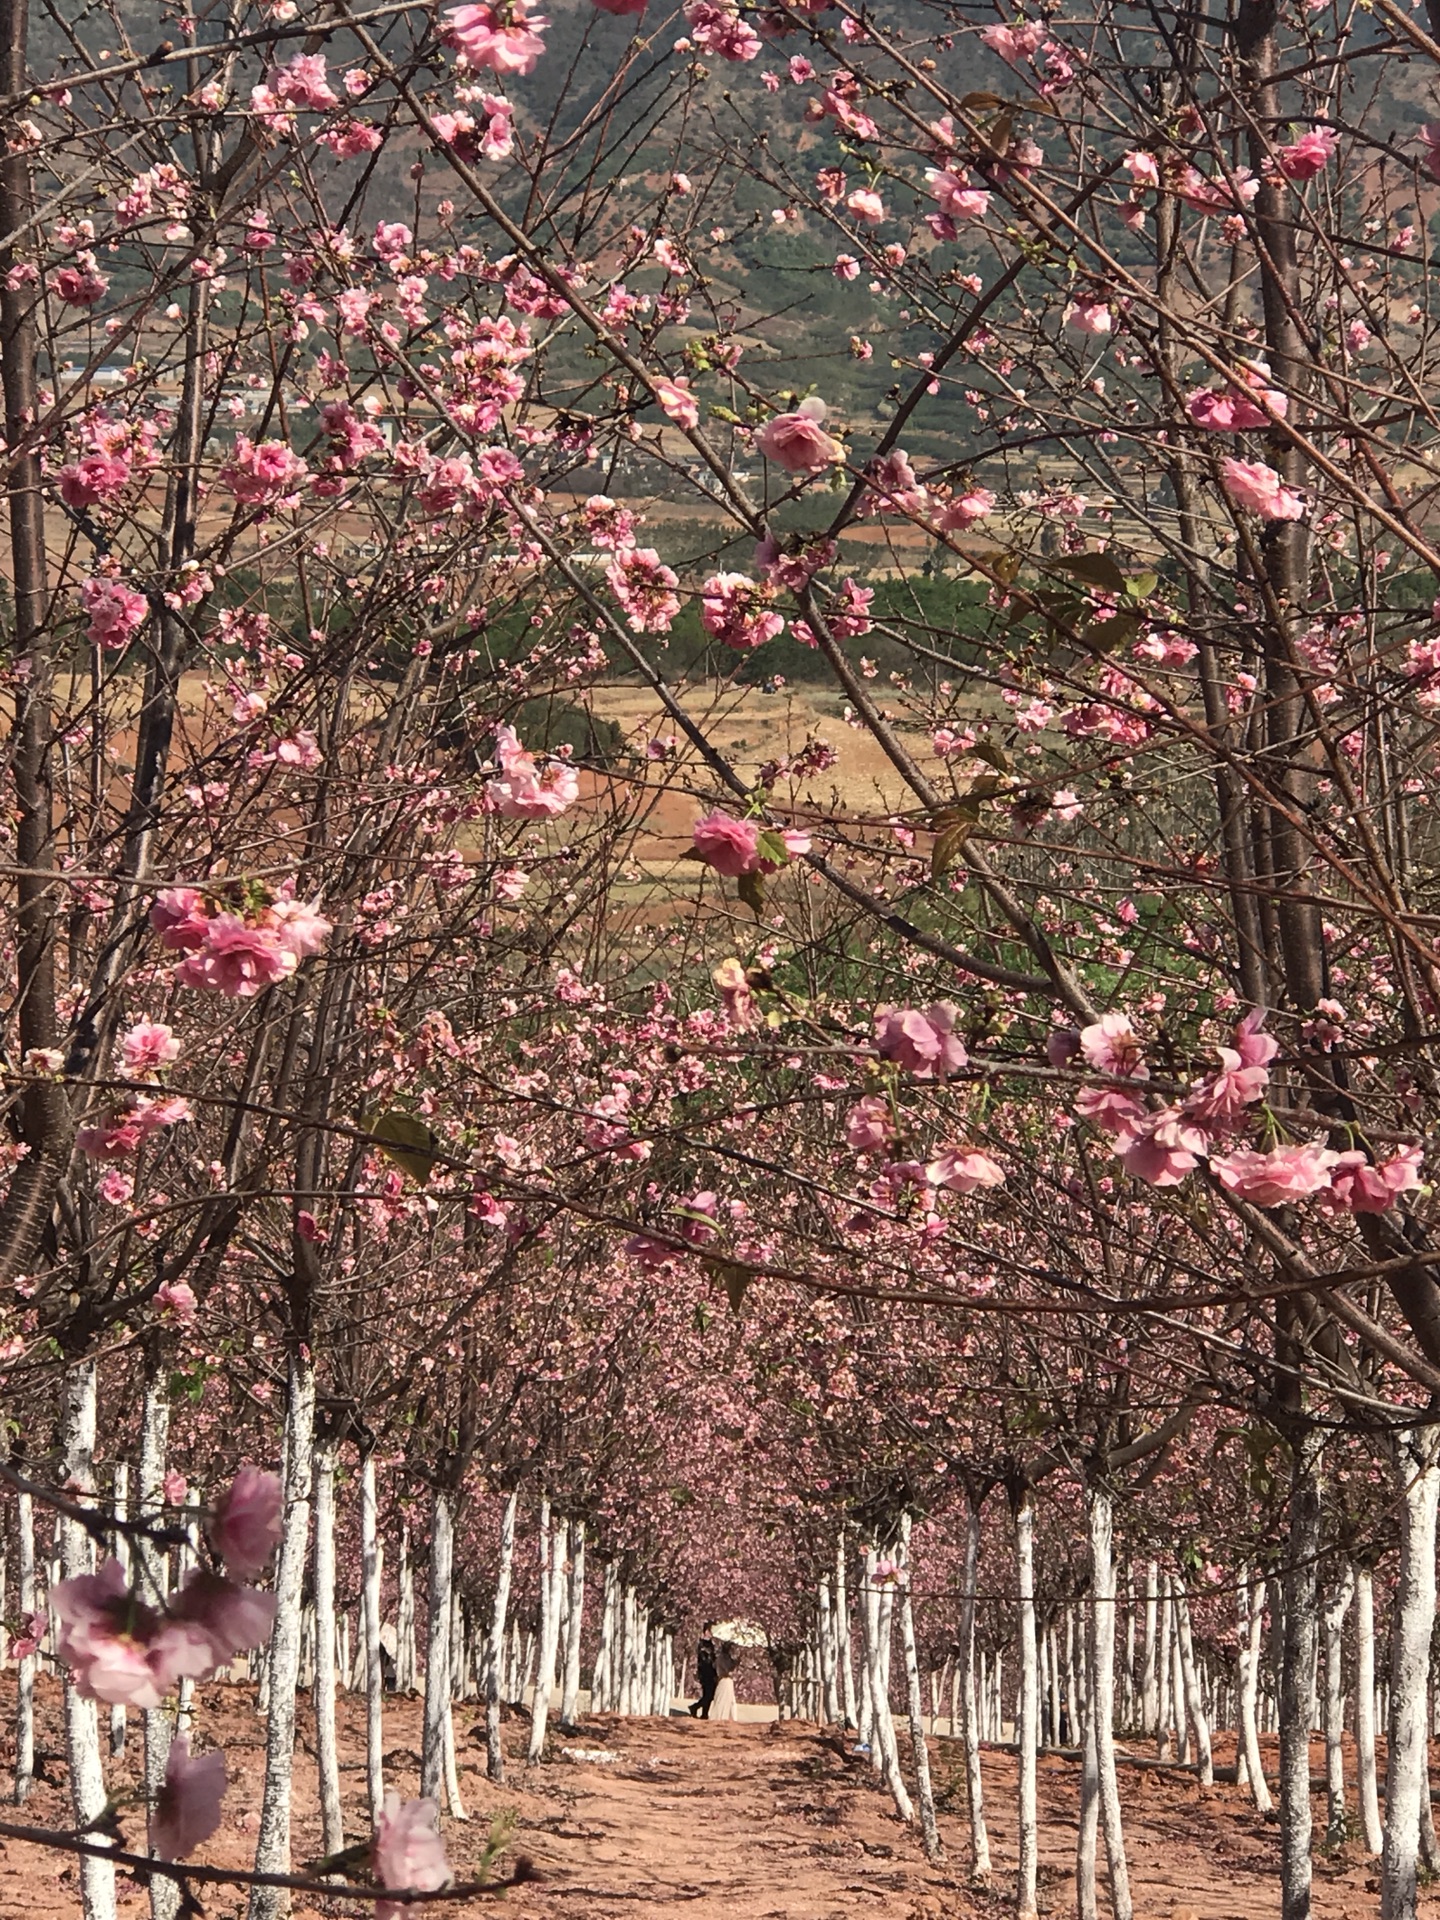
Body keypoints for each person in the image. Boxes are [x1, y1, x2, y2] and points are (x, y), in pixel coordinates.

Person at [690, 1623, 718, 1719]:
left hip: (711, 1672)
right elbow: (704, 1660)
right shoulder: (702, 1645)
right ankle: (695, 1707)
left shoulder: (710, 1645)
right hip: (706, 1673)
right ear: (706, 1632)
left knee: (709, 1694)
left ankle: (704, 1712)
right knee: (708, 1694)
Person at [709, 1640, 739, 1722]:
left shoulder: (726, 1657)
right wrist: (733, 1665)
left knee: (730, 1701)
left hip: (727, 1680)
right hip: (724, 1679)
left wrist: (736, 1662)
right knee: (721, 1700)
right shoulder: (721, 1658)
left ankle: (731, 1717)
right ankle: (718, 1717)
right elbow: (726, 1669)